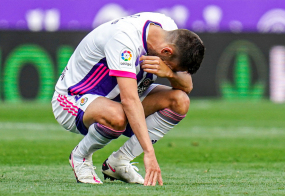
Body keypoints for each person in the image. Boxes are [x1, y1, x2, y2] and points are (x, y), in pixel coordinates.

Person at [51, 12, 205, 186]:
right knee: (118, 115)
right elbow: (129, 101)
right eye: (170, 65)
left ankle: (119, 161)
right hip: (73, 99)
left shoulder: (168, 30)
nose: (167, 69)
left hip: (119, 98)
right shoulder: (124, 40)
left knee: (180, 100)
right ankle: (80, 156)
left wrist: (169, 72)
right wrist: (149, 153)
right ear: (166, 51)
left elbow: (187, 86)